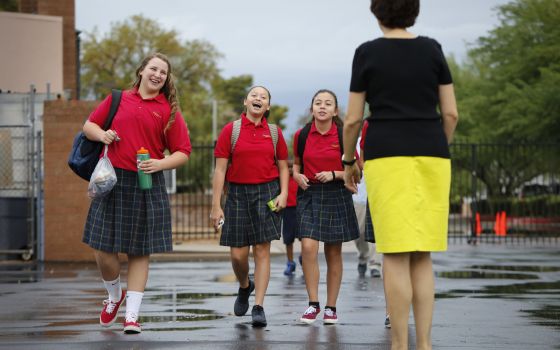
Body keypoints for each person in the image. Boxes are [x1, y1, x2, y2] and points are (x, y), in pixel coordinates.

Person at [343, 1, 459, 349]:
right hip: (433, 153)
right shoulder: (432, 49)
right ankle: (423, 343)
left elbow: (351, 119)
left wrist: (348, 160)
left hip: (386, 154)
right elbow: (450, 114)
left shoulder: (366, 53)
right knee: (422, 253)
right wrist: (439, 145)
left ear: (377, 13)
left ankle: (398, 345)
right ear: (414, 12)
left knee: (394, 253)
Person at [82, 53, 192, 334]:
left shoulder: (168, 110)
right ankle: (114, 296)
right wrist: (102, 135)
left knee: (139, 252)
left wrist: (160, 164)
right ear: (141, 71)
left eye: (163, 72)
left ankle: (132, 316)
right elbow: (89, 126)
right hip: (112, 180)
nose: (157, 75)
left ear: (166, 79)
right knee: (102, 248)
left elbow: (183, 152)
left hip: (147, 182)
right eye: (153, 69)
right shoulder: (118, 98)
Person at [210, 86, 289, 328]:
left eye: (263, 97)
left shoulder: (274, 133)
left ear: (267, 107)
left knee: (262, 251)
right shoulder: (231, 130)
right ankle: (245, 285)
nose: (258, 98)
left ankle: (259, 306)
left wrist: (284, 193)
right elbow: (220, 169)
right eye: (254, 95)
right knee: (238, 254)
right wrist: (216, 205)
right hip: (236, 194)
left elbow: (284, 166)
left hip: (267, 193)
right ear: (245, 102)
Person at [293, 89, 360, 325]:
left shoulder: (344, 136)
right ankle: (313, 305)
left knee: (333, 253)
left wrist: (335, 174)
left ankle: (331, 307)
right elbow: (296, 165)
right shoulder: (301, 135)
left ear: (335, 110)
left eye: (327, 103)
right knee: (309, 248)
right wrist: (296, 176)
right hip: (309, 194)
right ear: (312, 108)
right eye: (318, 103)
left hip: (336, 194)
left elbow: (358, 172)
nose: (322, 106)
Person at [282, 160, 300, 276]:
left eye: (291, 167)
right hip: (287, 210)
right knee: (288, 238)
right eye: (287, 168)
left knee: (304, 236)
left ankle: (304, 257)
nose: (289, 170)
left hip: (299, 208)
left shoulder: (299, 177)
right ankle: (290, 262)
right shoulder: (283, 179)